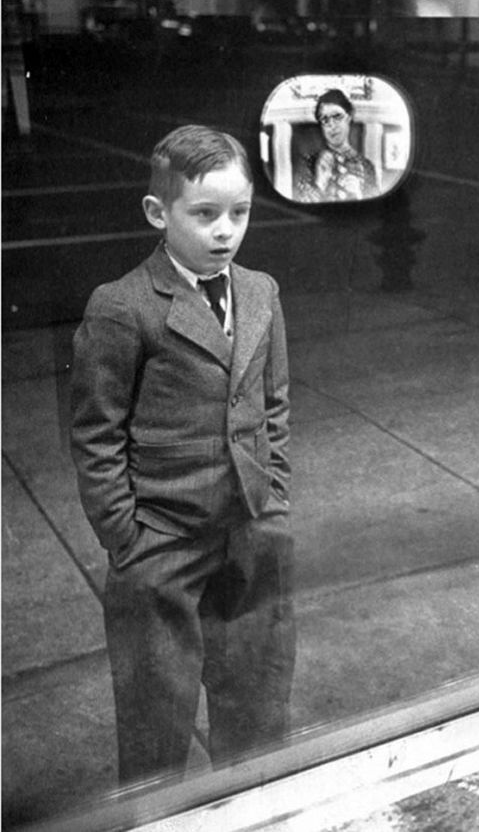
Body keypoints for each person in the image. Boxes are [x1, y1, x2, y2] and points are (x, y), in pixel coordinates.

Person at [70, 125, 296, 787]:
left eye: (240, 213)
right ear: (157, 213)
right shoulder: (123, 307)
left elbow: (273, 401)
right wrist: (127, 539)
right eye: (204, 214)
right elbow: (96, 434)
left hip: (252, 529)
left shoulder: (261, 293)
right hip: (162, 542)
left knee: (258, 706)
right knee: (155, 719)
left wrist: (274, 493)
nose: (225, 231)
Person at [295, 88, 379, 203]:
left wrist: (359, 195)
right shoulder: (309, 162)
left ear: (349, 118)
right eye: (325, 119)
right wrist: (320, 184)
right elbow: (300, 207)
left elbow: (375, 208)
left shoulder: (367, 166)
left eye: (337, 116)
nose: (332, 125)